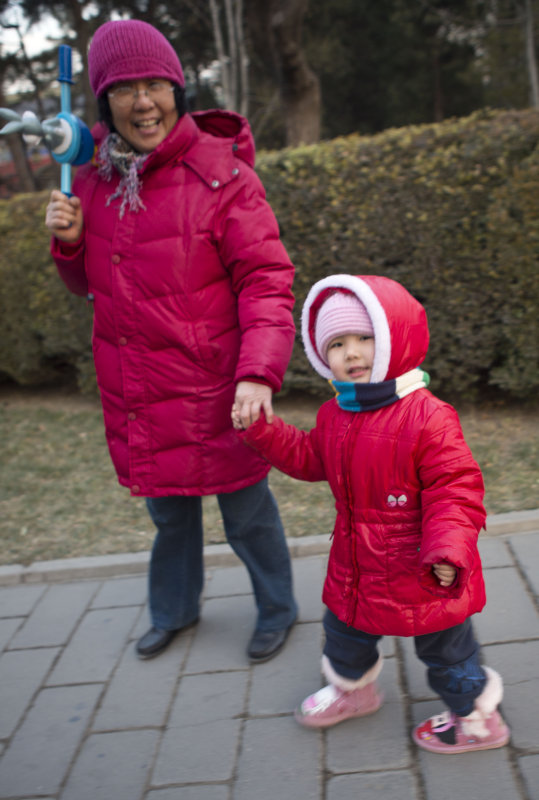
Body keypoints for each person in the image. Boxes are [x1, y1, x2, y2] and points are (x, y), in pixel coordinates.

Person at [45, 19, 298, 664]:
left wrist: (257, 376)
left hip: (220, 389)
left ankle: (278, 608)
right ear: (104, 101)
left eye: (155, 84)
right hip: (142, 390)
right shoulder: (95, 179)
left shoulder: (224, 176)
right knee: (169, 519)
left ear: (177, 89)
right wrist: (69, 241)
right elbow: (85, 283)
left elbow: (267, 281)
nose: (142, 102)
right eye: (125, 89)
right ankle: (174, 612)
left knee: (247, 515)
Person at [233, 273, 511, 753]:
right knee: (343, 632)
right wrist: (264, 432)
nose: (353, 352)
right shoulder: (336, 414)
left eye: (366, 337)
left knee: (446, 650)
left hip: (426, 569)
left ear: (394, 340)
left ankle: (476, 719)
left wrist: (447, 549)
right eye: (337, 343)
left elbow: (456, 488)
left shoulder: (428, 416)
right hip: (357, 565)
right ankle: (352, 690)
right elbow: (310, 460)